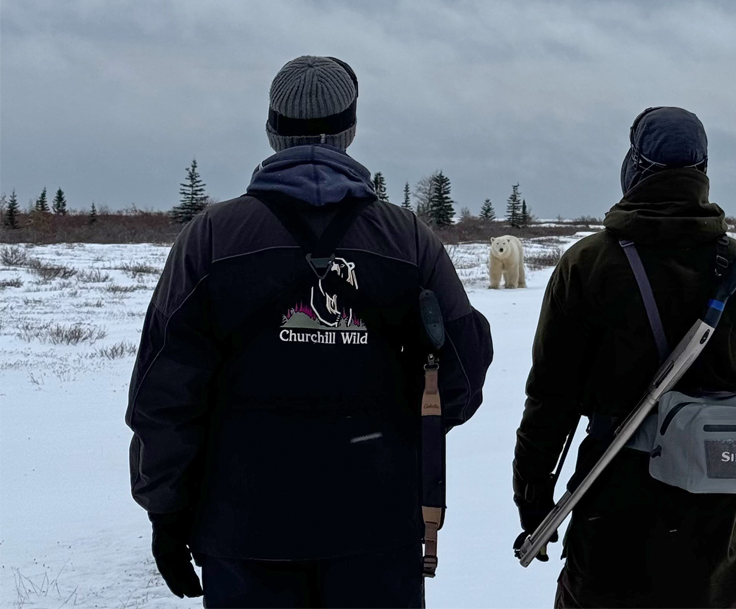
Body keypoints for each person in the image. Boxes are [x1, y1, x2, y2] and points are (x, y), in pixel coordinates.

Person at [127, 55, 493, 608]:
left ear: (272, 130)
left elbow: (164, 394)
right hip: (378, 530)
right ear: (349, 130)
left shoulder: (209, 239)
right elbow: (461, 376)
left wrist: (166, 509)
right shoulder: (409, 241)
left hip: (245, 531)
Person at [512, 107, 736, 608]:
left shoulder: (588, 265)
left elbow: (551, 399)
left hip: (608, 516)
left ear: (635, 169)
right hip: (712, 530)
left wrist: (534, 493)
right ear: (702, 174)